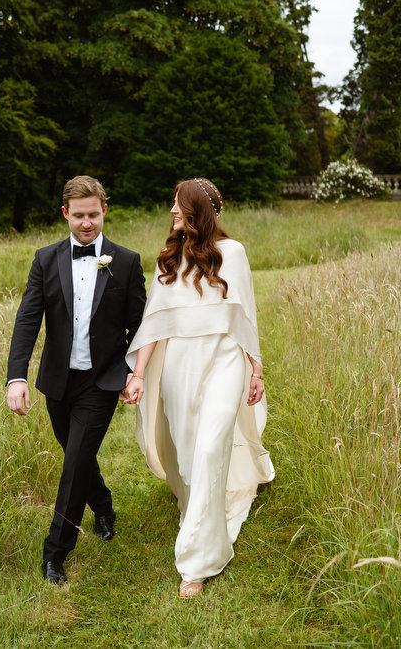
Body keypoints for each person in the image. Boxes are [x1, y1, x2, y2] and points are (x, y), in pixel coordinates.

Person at [124, 177, 274, 598]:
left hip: (225, 362)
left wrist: (256, 370)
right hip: (180, 365)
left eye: (179, 206)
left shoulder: (233, 254)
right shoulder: (168, 260)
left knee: (210, 446)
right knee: (189, 453)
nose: (172, 212)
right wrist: (137, 375)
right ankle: (198, 513)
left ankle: (197, 562)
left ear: (199, 212)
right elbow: (152, 324)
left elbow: (246, 316)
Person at [5, 175, 147, 585]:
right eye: (79, 215)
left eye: (94, 214)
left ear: (105, 211)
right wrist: (17, 377)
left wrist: (134, 372)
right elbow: (28, 319)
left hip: (101, 383)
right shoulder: (45, 260)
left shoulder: (125, 261)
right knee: (77, 456)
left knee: (72, 466)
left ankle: (56, 553)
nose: (87, 223)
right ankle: (102, 504)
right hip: (57, 382)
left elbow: (139, 326)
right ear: (66, 214)